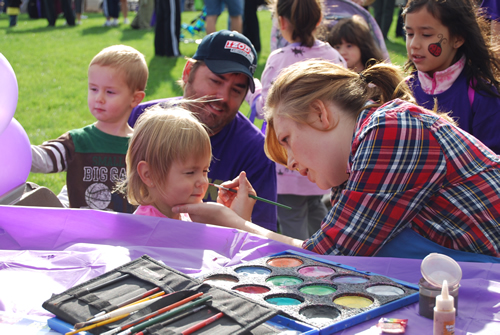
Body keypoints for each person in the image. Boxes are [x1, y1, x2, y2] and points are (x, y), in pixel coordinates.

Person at [172, 59, 500, 261]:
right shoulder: (358, 160)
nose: (290, 163)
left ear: (320, 113)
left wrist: (237, 225)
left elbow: (327, 257)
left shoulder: (389, 129)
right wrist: (242, 224)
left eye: (287, 140)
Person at [128, 30, 278, 231]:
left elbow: (261, 243)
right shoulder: (142, 118)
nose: (223, 97)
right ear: (188, 71)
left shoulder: (256, 151)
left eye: (236, 90)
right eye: (216, 81)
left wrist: (236, 223)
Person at [245, 0, 344, 239]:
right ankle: (329, 255)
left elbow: (266, 109)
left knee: (292, 218)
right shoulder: (334, 56)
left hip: (288, 161)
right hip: (325, 159)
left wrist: (253, 93)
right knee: (316, 209)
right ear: (319, 20)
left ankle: (304, 262)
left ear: (281, 22)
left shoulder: (279, 59)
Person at [31, 45, 148, 213]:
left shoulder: (143, 146)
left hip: (128, 236)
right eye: (93, 89)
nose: (98, 98)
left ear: (135, 98)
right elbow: (43, 159)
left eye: (110, 92)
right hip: (81, 235)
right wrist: (12, 147)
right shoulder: (78, 141)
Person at [404, 0, 500, 154]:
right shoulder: (403, 91)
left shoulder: (481, 97)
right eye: (409, 33)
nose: (414, 44)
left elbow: (492, 166)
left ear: (457, 39)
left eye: (426, 34)